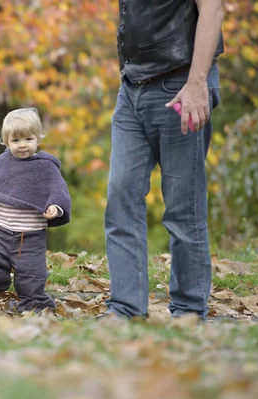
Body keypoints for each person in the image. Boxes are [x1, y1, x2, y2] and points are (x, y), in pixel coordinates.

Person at [104, 0, 224, 319]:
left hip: (181, 84)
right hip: (132, 87)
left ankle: (188, 312)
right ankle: (125, 310)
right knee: (121, 198)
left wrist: (197, 83)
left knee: (183, 208)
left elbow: (213, 8)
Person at [0, 107, 71, 313]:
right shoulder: (3, 163)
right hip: (0, 230)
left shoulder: (46, 167)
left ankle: (33, 304)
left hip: (30, 236)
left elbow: (58, 191)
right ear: (6, 141)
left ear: (38, 139)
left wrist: (55, 208)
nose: (22, 145)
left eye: (28, 139)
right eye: (16, 141)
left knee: (31, 275)